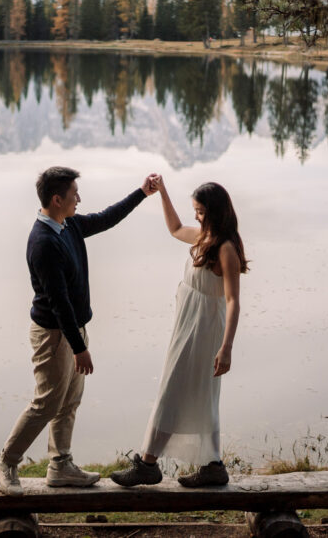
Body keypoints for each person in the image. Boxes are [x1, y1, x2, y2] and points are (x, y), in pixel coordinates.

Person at [0, 167, 158, 495]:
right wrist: (80, 347)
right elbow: (59, 303)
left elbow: (107, 218)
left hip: (72, 329)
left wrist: (142, 193)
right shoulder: (44, 243)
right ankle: (5, 461)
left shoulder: (69, 225)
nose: (79, 198)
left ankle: (60, 465)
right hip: (54, 335)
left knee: (69, 400)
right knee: (47, 402)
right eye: (73, 194)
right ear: (56, 199)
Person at [111, 177, 248, 488]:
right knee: (194, 392)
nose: (196, 216)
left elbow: (233, 301)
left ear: (214, 211)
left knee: (177, 390)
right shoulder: (203, 236)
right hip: (187, 323)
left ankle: (148, 464)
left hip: (204, 328)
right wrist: (163, 193)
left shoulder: (225, 248)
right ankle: (212, 465)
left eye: (200, 211)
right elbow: (174, 229)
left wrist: (226, 348)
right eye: (195, 211)